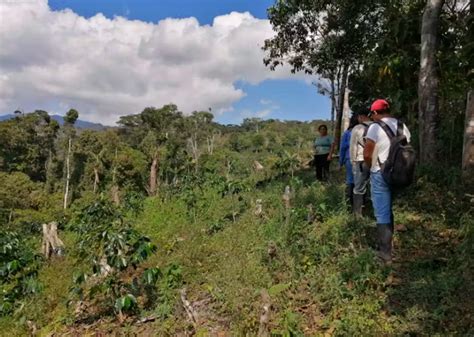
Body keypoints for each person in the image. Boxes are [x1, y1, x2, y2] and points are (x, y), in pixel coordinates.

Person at [363, 99, 411, 265]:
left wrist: (371, 167)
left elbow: (368, 154)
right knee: (388, 208)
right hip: (398, 174)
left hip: (380, 173)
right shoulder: (402, 127)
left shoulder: (374, 128)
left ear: (375, 113)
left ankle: (385, 255)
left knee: (381, 212)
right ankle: (388, 245)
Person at [350, 109, 372, 217]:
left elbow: (353, 147)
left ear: (360, 117)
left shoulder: (357, 128)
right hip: (376, 160)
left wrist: (352, 162)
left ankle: (357, 214)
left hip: (361, 160)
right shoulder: (377, 126)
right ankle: (373, 210)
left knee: (358, 187)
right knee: (374, 185)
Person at [339, 114, 358, 208]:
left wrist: (340, 162)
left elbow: (342, 148)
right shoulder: (364, 130)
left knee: (350, 180)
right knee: (360, 180)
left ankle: (350, 203)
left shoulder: (347, 133)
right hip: (360, 159)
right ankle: (361, 203)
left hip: (349, 159)